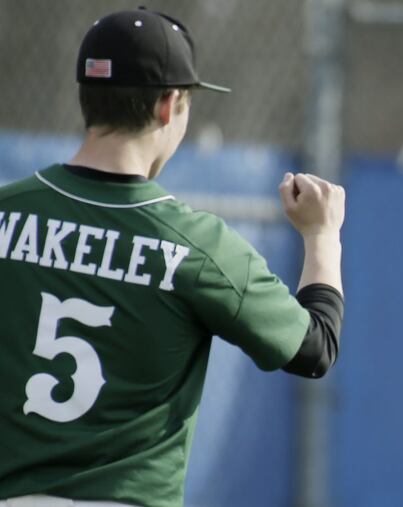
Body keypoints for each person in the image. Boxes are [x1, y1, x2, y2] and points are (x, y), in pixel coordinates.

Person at [0, 8, 344, 507]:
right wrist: (322, 235)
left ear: (86, 97)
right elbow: (314, 347)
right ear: (168, 106)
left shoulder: (8, 215)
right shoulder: (196, 245)